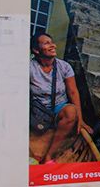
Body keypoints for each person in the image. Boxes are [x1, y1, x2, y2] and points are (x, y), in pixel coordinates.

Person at [30, 33, 92, 164]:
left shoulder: (64, 66)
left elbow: (73, 92)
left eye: (52, 42)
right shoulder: (30, 68)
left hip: (59, 108)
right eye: (46, 43)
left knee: (71, 111)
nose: (53, 45)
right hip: (38, 111)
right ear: (36, 50)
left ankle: (49, 156)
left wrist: (80, 120)